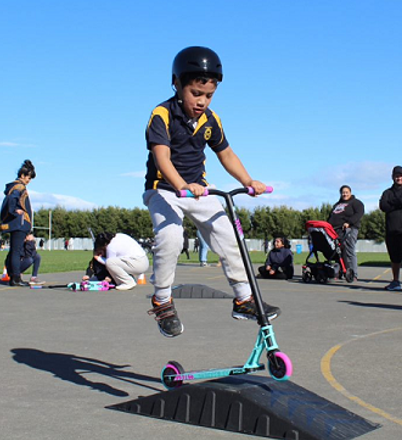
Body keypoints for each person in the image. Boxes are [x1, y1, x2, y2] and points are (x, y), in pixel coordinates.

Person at [143, 46, 279, 338]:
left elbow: (226, 154)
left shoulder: (211, 120)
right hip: (165, 190)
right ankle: (162, 300)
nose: (202, 101)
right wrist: (181, 185)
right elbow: (162, 157)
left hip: (199, 192)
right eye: (196, 93)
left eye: (209, 95)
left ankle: (243, 298)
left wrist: (248, 180)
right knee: (170, 235)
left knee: (229, 233)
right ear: (177, 84)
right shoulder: (162, 114)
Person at [379, 165, 402, 291]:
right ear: (392, 177)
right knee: (394, 257)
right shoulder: (387, 192)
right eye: (396, 176)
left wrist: (392, 202)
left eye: (401, 176)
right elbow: (383, 206)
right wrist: (393, 203)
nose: (399, 178)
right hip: (391, 229)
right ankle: (396, 281)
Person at [0, 160, 36, 287]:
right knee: (16, 251)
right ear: (22, 176)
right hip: (19, 223)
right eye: (28, 177)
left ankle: (13, 275)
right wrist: (15, 211)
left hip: (18, 224)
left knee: (14, 251)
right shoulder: (18, 187)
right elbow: (12, 199)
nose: (29, 181)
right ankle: (15, 277)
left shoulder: (17, 187)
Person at [82, 232, 149, 291]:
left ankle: (127, 282)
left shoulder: (111, 247)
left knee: (110, 262)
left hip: (137, 263)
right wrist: (88, 274)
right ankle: (127, 279)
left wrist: (98, 258)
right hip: (143, 260)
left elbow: (109, 264)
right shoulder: (118, 236)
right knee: (114, 263)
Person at [327, 185, 365, 282]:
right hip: (335, 230)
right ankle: (338, 272)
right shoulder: (337, 204)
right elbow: (331, 217)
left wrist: (349, 222)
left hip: (349, 229)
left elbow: (359, 214)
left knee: (349, 250)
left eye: (346, 192)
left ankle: (353, 274)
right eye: (343, 192)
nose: (345, 194)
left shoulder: (356, 203)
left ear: (350, 192)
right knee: (337, 251)